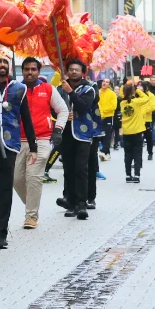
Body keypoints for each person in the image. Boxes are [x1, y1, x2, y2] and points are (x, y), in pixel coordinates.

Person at [0, 54, 37, 250]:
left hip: (9, 146)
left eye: (6, 62)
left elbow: (26, 119)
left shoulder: (19, 89)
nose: (3, 65)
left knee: (5, 188)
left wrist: (33, 147)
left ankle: (1, 231)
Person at [15, 57, 68, 229]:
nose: (30, 72)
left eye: (33, 69)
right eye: (26, 69)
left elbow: (63, 110)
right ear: (22, 71)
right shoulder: (16, 90)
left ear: (39, 70)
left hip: (42, 140)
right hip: (18, 141)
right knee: (16, 179)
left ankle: (31, 216)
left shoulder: (48, 89)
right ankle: (32, 202)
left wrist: (58, 129)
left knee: (33, 178)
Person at [56, 60, 99, 219]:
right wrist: (61, 115)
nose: (74, 72)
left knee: (81, 168)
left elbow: (83, 107)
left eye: (77, 70)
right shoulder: (59, 89)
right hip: (65, 133)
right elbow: (52, 109)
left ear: (83, 73)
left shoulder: (89, 89)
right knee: (68, 169)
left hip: (83, 134)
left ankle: (82, 204)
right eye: (71, 69)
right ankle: (71, 203)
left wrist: (71, 92)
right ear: (67, 71)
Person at [118, 81, 154, 183]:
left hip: (127, 131)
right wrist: (137, 89)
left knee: (128, 154)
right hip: (137, 131)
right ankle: (137, 175)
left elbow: (123, 93)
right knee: (137, 153)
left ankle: (128, 175)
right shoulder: (137, 102)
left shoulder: (122, 103)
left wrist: (129, 89)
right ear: (133, 92)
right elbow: (146, 99)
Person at [98, 79, 117, 159]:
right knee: (100, 135)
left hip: (108, 116)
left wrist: (103, 110)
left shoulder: (112, 94)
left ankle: (104, 151)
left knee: (107, 135)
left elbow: (113, 106)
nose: (104, 83)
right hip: (99, 116)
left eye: (107, 82)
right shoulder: (98, 92)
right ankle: (107, 153)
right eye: (103, 81)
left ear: (109, 84)